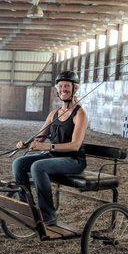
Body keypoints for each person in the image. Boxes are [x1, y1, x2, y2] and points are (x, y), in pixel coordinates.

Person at [11, 71, 88, 226]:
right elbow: (40, 136)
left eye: (67, 86)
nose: (63, 89)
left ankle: (48, 215)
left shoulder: (80, 114)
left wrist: (46, 146)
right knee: (18, 163)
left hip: (73, 160)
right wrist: (25, 144)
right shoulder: (54, 114)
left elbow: (75, 145)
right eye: (60, 86)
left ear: (75, 88)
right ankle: (27, 207)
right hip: (54, 157)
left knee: (38, 166)